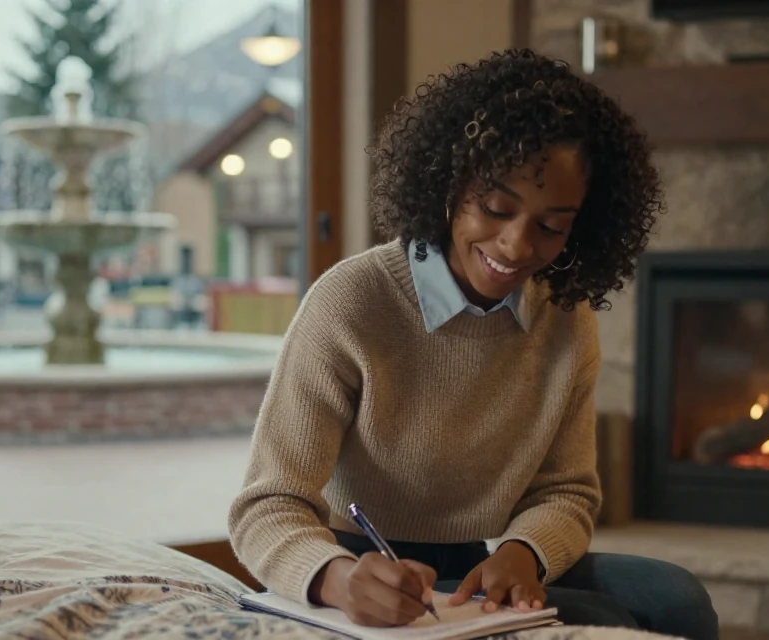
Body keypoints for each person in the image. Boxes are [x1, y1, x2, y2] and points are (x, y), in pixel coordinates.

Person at [228, 49, 718, 640]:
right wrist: (335, 576)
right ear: (448, 180)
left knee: (676, 600)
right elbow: (267, 505)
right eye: (495, 208)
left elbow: (566, 491)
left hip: (478, 565)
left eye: (551, 226)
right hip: (363, 564)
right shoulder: (352, 301)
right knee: (609, 620)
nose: (515, 246)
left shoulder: (564, 317)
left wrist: (525, 552)